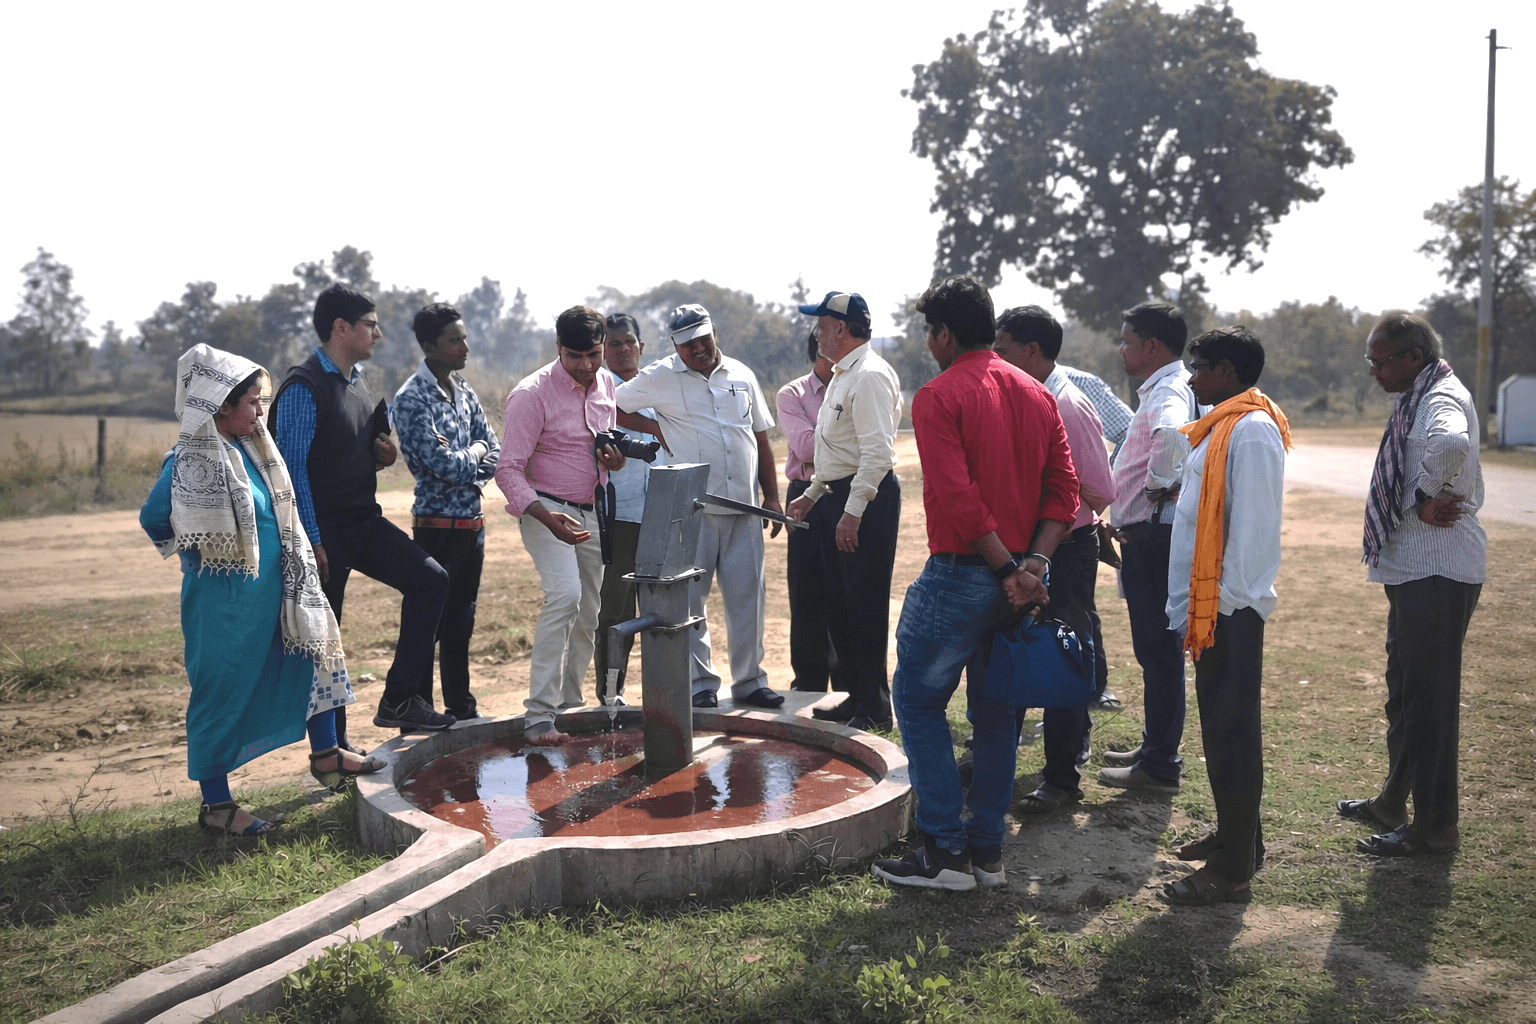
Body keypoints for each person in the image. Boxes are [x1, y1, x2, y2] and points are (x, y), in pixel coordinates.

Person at [871, 276, 1078, 891]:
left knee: (915, 700)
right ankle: (987, 850)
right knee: (996, 715)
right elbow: (1063, 493)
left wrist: (1008, 569)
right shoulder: (1036, 394)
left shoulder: (938, 395)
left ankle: (943, 851)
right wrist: (1032, 566)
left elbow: (959, 500)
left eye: (929, 332)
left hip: (966, 571)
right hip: (1018, 578)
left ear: (944, 334)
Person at [142, 345, 383, 837]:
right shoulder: (190, 460)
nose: (260, 411)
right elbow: (153, 519)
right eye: (251, 402)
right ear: (218, 406)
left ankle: (328, 755)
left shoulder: (254, 451)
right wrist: (198, 551)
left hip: (277, 595)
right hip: (226, 607)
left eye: (260, 400)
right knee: (222, 692)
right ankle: (216, 806)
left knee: (312, 661)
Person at [269, 283, 452, 740]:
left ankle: (401, 700)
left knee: (431, 579)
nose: (379, 333)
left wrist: (381, 456)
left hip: (361, 522)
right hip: (321, 533)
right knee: (324, 641)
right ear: (341, 327)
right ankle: (333, 753)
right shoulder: (302, 388)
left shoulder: (359, 383)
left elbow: (350, 450)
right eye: (371, 324)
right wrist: (310, 539)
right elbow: (291, 473)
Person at [1338, 312, 1485, 857]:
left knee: (1429, 703)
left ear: (1412, 358)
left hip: (1438, 570)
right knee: (1405, 694)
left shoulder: (1440, 398)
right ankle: (1393, 800)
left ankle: (1436, 828)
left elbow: (1452, 443)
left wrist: (1431, 494)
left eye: (1380, 360)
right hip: (1414, 569)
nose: (1373, 370)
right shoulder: (1416, 395)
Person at [1155, 326, 1290, 904]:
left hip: (1231, 609)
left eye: (1201, 366)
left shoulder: (1252, 431)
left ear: (1229, 371)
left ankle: (1233, 870)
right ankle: (1240, 839)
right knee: (1221, 730)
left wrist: (1227, 607)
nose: (1191, 377)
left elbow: (1255, 535)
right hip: (1214, 611)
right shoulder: (1220, 427)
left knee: (1232, 734)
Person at [614, 303, 785, 710]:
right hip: (693, 510)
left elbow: (760, 437)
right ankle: (700, 684)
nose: (699, 349)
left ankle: (750, 682)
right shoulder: (659, 377)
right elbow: (613, 405)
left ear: (713, 334)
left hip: (744, 509)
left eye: (703, 339)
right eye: (688, 344)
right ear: (675, 346)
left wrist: (772, 496)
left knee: (749, 600)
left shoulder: (741, 374)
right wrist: (654, 426)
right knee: (691, 603)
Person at [991, 306, 1115, 813]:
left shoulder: (1066, 404)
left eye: (1002, 349)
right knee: (1017, 650)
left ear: (1032, 352)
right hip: (1037, 547)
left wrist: (1051, 481)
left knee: (1062, 657)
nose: (995, 359)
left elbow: (1101, 491)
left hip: (1066, 547)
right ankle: (997, 758)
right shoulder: (1035, 398)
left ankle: (1063, 779)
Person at [495, 306, 627, 744]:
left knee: (589, 612)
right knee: (565, 596)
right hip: (544, 510)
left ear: (603, 347)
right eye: (575, 356)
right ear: (558, 349)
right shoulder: (531, 394)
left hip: (590, 513)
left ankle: (569, 708)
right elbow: (508, 470)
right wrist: (545, 517)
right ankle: (538, 716)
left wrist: (614, 462)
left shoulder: (607, 384)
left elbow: (606, 449)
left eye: (593, 354)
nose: (586, 365)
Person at [786, 291, 903, 730]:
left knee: (864, 603)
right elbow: (837, 450)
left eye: (821, 324)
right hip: (839, 494)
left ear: (841, 327)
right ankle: (857, 695)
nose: (816, 332)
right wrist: (813, 493)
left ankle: (874, 706)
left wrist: (852, 512)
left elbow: (876, 454)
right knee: (840, 604)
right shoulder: (843, 373)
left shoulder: (870, 375)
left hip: (865, 500)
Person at [1098, 300, 1196, 792]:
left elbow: (1172, 437)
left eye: (1128, 340)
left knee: (1159, 652)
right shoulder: (1162, 387)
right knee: (1155, 651)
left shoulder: (1170, 392)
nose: (1122, 349)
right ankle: (1157, 745)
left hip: (1155, 535)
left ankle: (1160, 765)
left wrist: (1158, 491)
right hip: (1151, 533)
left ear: (1152, 346)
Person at [390, 302, 501, 723]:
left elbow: (495, 450)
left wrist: (468, 456)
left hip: (472, 525)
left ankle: (461, 707)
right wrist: (472, 454)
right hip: (436, 526)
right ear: (429, 346)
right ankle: (415, 709)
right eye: (454, 340)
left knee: (462, 623)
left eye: (464, 337)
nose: (464, 346)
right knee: (428, 626)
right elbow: (446, 466)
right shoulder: (412, 399)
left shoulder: (465, 390)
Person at [593, 312, 657, 705]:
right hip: (620, 514)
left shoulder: (655, 388)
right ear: (602, 351)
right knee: (615, 610)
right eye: (613, 344)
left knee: (660, 608)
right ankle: (610, 693)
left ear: (641, 345)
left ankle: (661, 690)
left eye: (628, 341)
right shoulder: (598, 392)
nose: (622, 349)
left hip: (659, 511)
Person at [776, 327, 841, 693]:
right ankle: (810, 686)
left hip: (846, 493)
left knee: (846, 592)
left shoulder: (858, 385)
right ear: (820, 347)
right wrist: (850, 438)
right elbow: (805, 450)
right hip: (806, 496)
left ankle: (850, 688)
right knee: (807, 592)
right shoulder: (793, 393)